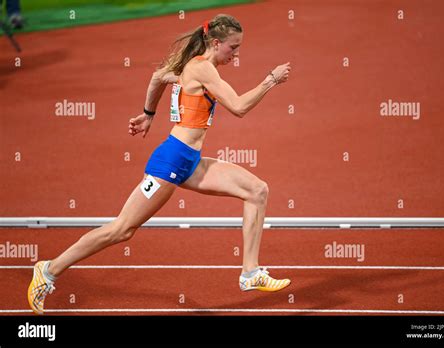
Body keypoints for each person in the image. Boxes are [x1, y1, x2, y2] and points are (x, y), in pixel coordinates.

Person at [27, 14, 292, 315]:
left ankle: (250, 272)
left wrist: (148, 113)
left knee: (257, 191)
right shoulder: (203, 68)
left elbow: (157, 77)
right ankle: (48, 270)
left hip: (188, 161)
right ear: (216, 43)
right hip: (170, 161)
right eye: (233, 48)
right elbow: (240, 107)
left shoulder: (191, 65)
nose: (236, 54)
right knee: (122, 229)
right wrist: (271, 80)